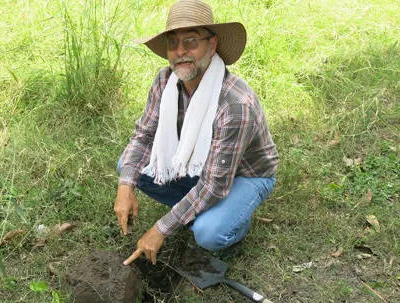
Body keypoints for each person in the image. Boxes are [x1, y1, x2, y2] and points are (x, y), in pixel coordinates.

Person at [115, 0, 278, 266]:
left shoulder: (235, 104)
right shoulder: (165, 81)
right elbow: (144, 136)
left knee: (208, 233)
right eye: (173, 43)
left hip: (244, 176)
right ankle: (200, 209)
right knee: (129, 167)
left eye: (191, 41)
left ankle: (234, 220)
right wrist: (125, 187)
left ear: (212, 45)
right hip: (204, 171)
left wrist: (160, 229)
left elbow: (215, 184)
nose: (180, 52)